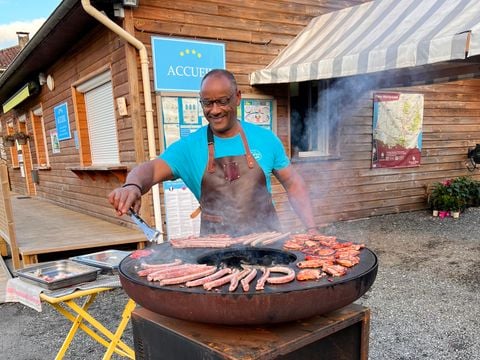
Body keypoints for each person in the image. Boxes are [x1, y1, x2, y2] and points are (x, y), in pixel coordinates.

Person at [108, 69, 317, 236]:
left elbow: (293, 183)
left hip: (268, 245)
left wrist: (311, 228)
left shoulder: (265, 139)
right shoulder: (190, 147)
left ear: (237, 98)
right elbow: (151, 169)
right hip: (215, 252)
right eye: (207, 103)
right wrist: (132, 185)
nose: (214, 110)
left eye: (223, 101)